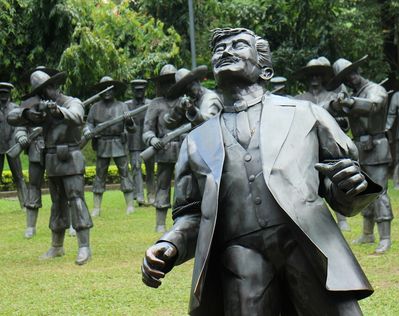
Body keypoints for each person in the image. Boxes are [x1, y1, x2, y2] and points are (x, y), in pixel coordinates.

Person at [142, 27, 382, 315]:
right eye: (219, 49)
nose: (226, 51)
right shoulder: (196, 142)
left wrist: (350, 185)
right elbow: (192, 214)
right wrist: (171, 243)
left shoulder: (306, 114)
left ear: (265, 69)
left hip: (306, 244)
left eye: (238, 45)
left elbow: (340, 189)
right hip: (240, 258)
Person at [8, 69, 92, 264]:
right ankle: (57, 246)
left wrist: (57, 111)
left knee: (76, 200)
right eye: (41, 91)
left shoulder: (72, 101)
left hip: (70, 156)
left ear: (54, 87)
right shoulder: (39, 106)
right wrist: (31, 113)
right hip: (52, 159)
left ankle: (84, 247)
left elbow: (77, 116)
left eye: (46, 89)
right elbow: (12, 117)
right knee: (57, 203)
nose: (44, 94)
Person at [327, 55, 394, 254]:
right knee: (363, 190)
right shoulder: (352, 94)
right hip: (359, 148)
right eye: (345, 79)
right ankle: (367, 233)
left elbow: (374, 105)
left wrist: (351, 101)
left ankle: (386, 237)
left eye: (351, 75)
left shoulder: (375, 89)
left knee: (380, 191)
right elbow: (346, 121)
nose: (350, 80)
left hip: (377, 146)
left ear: (358, 72)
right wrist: (337, 107)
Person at [294, 56, 351, 231]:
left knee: (336, 178)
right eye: (311, 76)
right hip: (306, 146)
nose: (314, 79)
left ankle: (341, 219)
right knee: (307, 181)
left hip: (330, 145)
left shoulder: (334, 97)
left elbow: (346, 124)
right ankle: (310, 218)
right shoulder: (299, 99)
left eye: (318, 75)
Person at [84, 76, 136, 216]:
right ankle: (96, 207)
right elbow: (88, 124)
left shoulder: (122, 106)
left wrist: (129, 121)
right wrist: (88, 131)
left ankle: (130, 205)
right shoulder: (95, 108)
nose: (107, 92)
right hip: (102, 144)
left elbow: (132, 129)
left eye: (110, 89)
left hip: (119, 143)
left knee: (125, 173)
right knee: (100, 175)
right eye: (104, 89)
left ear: (114, 90)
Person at [142, 64, 181, 232]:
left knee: (183, 187)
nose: (169, 86)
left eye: (172, 82)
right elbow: (147, 130)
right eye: (165, 83)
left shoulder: (185, 101)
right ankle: (160, 223)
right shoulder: (156, 104)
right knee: (162, 186)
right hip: (163, 150)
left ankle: (181, 222)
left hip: (183, 150)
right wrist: (152, 140)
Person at [125, 79, 154, 206]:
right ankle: (139, 196)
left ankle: (151, 195)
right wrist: (128, 121)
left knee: (150, 170)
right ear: (132, 91)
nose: (139, 92)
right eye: (137, 90)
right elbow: (125, 126)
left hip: (148, 141)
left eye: (141, 90)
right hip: (134, 142)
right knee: (136, 168)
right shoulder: (126, 106)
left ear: (145, 90)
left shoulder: (151, 103)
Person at [0, 82, 27, 211]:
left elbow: (20, 126)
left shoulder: (15, 108)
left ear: (9, 94)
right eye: (1, 93)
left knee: (19, 177)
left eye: (5, 93)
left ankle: (25, 204)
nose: (3, 96)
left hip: (12, 146)